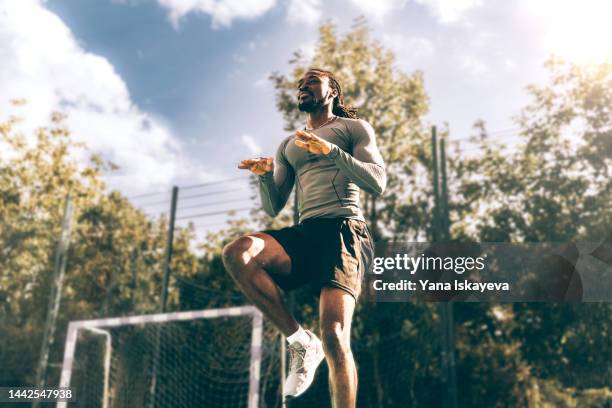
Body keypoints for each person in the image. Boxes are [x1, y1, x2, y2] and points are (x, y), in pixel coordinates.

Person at [223, 68, 386, 407]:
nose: (303, 86)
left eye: (312, 81)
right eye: (300, 84)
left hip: (344, 231)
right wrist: (266, 176)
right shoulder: (289, 145)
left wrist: (332, 152)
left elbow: (377, 181)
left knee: (335, 335)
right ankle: (299, 341)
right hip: (305, 232)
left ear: (333, 92)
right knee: (239, 252)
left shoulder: (353, 128)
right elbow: (273, 206)